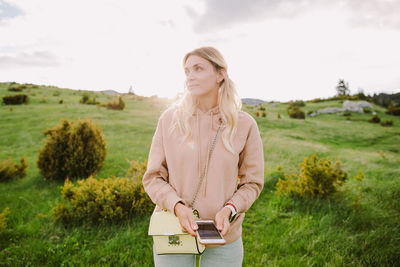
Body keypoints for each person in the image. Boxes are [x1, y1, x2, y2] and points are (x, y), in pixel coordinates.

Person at [142, 46, 264, 267]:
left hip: (224, 235)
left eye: (198, 69)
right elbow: (153, 177)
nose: (190, 76)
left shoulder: (244, 124)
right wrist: (177, 206)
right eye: (187, 71)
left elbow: (252, 183)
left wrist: (230, 209)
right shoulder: (169, 120)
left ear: (220, 74)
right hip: (174, 229)